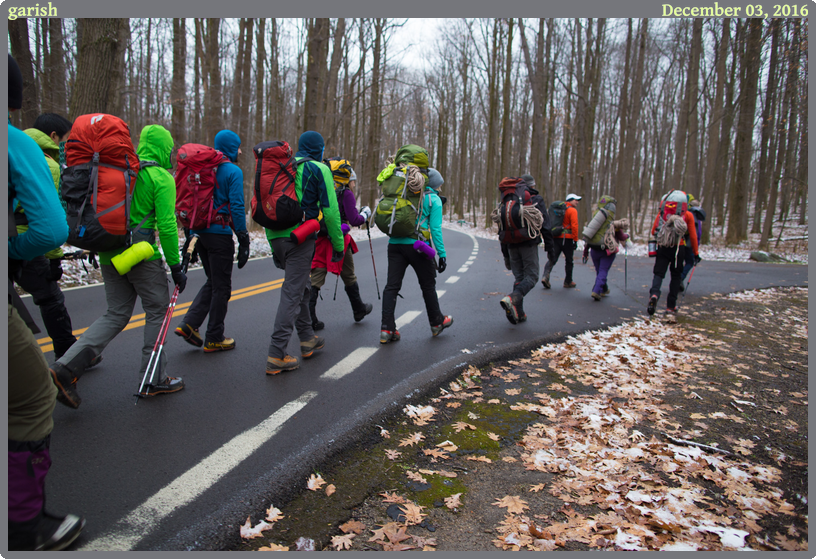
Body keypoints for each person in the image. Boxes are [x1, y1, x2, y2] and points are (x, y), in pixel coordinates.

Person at [49, 124, 187, 407]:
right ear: (163, 149)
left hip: (109, 251)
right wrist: (175, 266)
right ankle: (154, 378)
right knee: (157, 312)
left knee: (116, 313)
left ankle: (65, 367)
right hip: (141, 256)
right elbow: (168, 226)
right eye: (169, 149)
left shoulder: (124, 172)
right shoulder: (160, 177)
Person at [8, 53, 86, 551]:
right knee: (33, 396)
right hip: (30, 257)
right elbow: (53, 226)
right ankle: (22, 524)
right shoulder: (16, 145)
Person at [264, 131, 345, 375]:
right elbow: (330, 213)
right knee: (292, 292)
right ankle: (276, 354)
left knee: (303, 286)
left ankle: (307, 338)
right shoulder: (319, 169)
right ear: (319, 149)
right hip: (300, 238)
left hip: (277, 236)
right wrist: (338, 246)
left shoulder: (283, 167)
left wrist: (273, 244)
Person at [12, 113, 81, 360]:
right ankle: (68, 353)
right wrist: (54, 258)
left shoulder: (14, 150)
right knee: (50, 297)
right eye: (65, 140)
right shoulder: (47, 165)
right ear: (53, 137)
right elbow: (50, 220)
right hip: (25, 242)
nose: (65, 146)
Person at [174, 130, 249, 352]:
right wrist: (243, 237)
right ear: (230, 147)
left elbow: (191, 203)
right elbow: (236, 207)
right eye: (238, 147)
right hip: (220, 236)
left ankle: (189, 324)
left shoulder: (200, 169)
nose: (240, 151)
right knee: (222, 287)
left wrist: (190, 237)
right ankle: (215, 336)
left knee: (213, 281)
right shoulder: (232, 171)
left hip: (199, 234)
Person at [380, 167, 453, 343]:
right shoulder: (433, 200)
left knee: (392, 287)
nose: (440, 188)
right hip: (418, 246)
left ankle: (386, 329)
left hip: (395, 244)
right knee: (428, 285)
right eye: (440, 185)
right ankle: (437, 322)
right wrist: (441, 254)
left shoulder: (405, 195)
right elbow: (435, 230)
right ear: (435, 185)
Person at [309, 160, 373, 330]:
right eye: (353, 180)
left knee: (316, 278)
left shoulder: (322, 188)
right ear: (346, 179)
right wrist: (365, 214)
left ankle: (309, 318)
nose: (354, 184)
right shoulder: (346, 194)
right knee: (349, 275)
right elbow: (354, 220)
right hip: (339, 239)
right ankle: (358, 309)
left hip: (321, 238)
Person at [497, 174, 554, 324]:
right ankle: (512, 298)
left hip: (510, 244)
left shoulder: (507, 201)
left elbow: (502, 229)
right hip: (528, 242)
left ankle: (519, 312)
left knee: (519, 278)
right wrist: (550, 249)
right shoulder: (535, 200)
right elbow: (546, 225)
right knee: (532, 276)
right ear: (531, 186)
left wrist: (506, 256)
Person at [647, 191, 699, 323]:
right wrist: (696, 253)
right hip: (678, 248)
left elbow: (654, 231)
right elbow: (693, 236)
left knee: (658, 274)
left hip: (663, 246)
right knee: (676, 276)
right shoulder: (687, 215)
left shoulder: (663, 213)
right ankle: (671, 306)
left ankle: (654, 295)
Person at [580, 195, 629, 301]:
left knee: (599, 271)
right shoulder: (612, 224)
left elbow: (589, 235)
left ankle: (603, 288)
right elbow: (622, 237)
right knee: (603, 270)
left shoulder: (595, 221)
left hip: (594, 249)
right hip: (607, 251)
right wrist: (627, 236)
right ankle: (596, 291)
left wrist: (585, 252)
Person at [542, 192, 580, 289]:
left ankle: (545, 276)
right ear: (570, 200)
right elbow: (575, 226)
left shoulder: (558, 209)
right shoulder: (572, 211)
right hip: (567, 238)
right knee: (569, 260)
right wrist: (575, 240)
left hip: (556, 236)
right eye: (576, 200)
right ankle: (568, 281)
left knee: (553, 258)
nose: (577, 202)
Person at [680, 195, 705, 287]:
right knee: (690, 262)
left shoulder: (685, 214)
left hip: (682, 242)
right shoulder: (695, 217)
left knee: (680, 262)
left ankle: (678, 279)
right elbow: (696, 234)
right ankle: (680, 278)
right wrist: (696, 251)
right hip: (689, 244)